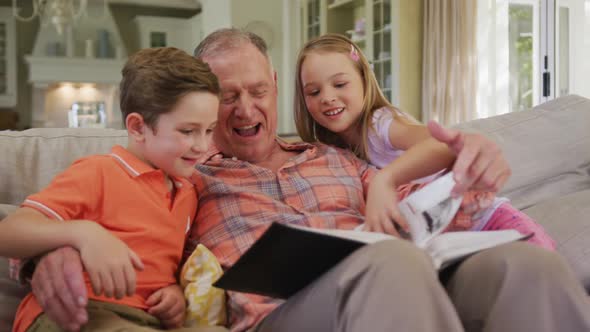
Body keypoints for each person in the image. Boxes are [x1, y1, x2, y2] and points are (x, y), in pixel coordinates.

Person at [24, 29, 590, 332]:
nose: (245, 109)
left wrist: (468, 170)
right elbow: (109, 216)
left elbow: (417, 198)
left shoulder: (339, 157)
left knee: (525, 265)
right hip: (285, 311)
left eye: (257, 91)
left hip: (405, 283)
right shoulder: (189, 174)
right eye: (226, 98)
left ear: (274, 84)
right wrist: (55, 253)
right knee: (387, 263)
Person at [1, 47, 225, 332]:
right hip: (80, 313)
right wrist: (84, 233)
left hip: (147, 320)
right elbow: (7, 233)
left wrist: (173, 293)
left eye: (209, 130)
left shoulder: (187, 194)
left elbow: (160, 265)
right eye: (188, 131)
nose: (202, 146)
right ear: (138, 127)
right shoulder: (99, 172)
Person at [293, 33, 555, 249]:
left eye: (340, 84)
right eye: (314, 92)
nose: (327, 97)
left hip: (486, 219)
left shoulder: (380, 124)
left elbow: (443, 144)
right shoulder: (329, 153)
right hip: (442, 238)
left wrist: (386, 180)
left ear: (364, 81)